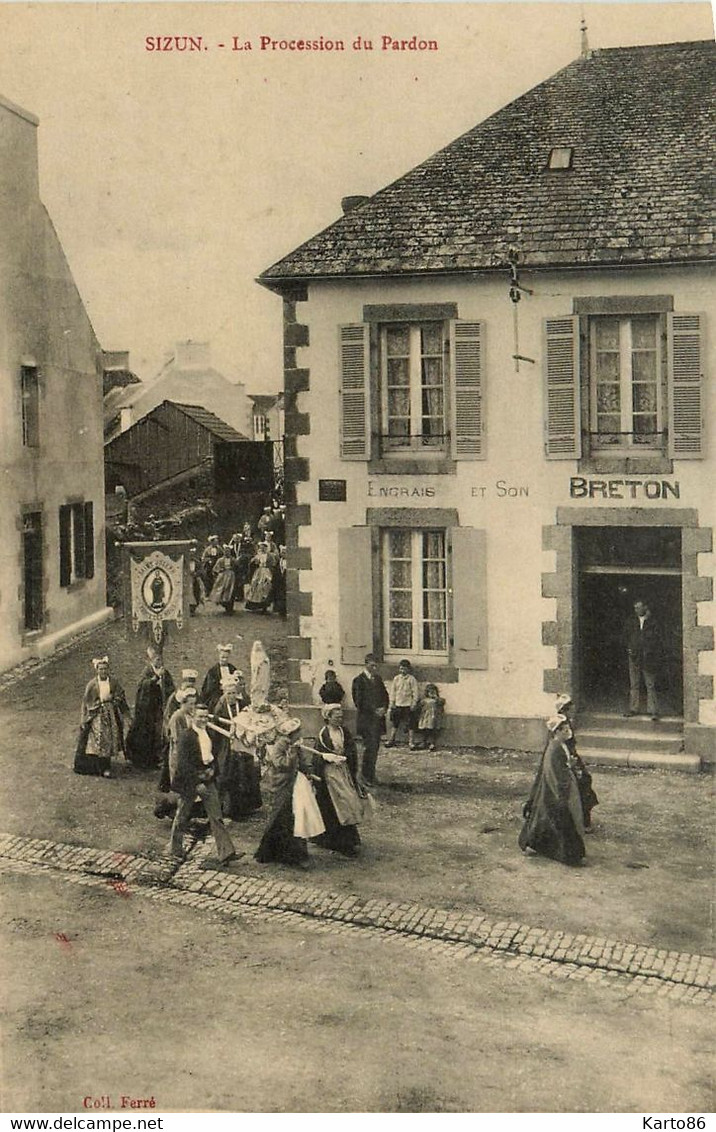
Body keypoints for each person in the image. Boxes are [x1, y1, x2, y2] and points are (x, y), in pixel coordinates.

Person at [169, 704, 244, 868]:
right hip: (190, 781)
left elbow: (212, 755)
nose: (203, 719)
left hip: (207, 776)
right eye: (200, 716)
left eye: (205, 716)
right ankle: (175, 849)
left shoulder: (209, 733)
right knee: (182, 815)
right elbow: (183, 764)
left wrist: (212, 771)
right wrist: (197, 782)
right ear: (193, 717)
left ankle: (226, 853)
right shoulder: (186, 736)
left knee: (216, 816)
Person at [518, 715, 586, 867]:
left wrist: (571, 765)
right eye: (565, 729)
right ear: (557, 731)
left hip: (560, 786)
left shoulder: (561, 745)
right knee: (559, 818)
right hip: (556, 788)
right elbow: (554, 771)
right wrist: (562, 791)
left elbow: (562, 765)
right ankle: (569, 855)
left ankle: (536, 843)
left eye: (568, 728)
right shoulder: (554, 748)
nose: (568, 732)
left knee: (546, 817)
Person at [254, 718, 315, 868]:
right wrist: (293, 752)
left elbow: (302, 762)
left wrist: (308, 772)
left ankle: (297, 854)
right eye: (297, 731)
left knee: (296, 818)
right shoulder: (281, 744)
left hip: (295, 785)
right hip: (282, 786)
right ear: (291, 734)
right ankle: (273, 852)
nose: (300, 733)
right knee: (280, 819)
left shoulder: (295, 745)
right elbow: (281, 764)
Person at [311, 705, 362, 857]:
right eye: (336, 717)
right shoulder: (323, 735)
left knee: (348, 802)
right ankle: (338, 842)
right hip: (330, 774)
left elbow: (351, 749)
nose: (340, 719)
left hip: (343, 771)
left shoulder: (343, 731)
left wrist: (348, 759)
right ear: (328, 717)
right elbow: (318, 756)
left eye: (341, 717)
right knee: (337, 804)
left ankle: (348, 838)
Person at [212, 674, 262, 820]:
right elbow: (216, 728)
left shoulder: (243, 703)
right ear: (224, 693)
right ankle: (226, 807)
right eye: (229, 693)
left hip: (243, 742)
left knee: (245, 773)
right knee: (227, 773)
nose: (232, 696)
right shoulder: (220, 706)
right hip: (226, 744)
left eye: (234, 693)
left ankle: (246, 807)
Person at [74, 656, 132, 778]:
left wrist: (113, 699)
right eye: (101, 669)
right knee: (97, 739)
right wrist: (99, 702)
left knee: (109, 739)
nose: (103, 671)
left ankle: (106, 765)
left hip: (110, 714)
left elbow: (120, 695)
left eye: (105, 669)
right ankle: (96, 766)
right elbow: (87, 702)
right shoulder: (92, 685)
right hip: (96, 715)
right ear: (97, 670)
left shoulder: (113, 682)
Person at [125, 647, 175, 769]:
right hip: (146, 709)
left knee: (158, 732)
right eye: (156, 659)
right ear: (151, 660)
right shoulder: (147, 671)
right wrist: (154, 680)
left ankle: (156, 757)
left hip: (159, 708)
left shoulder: (165, 673)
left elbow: (171, 688)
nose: (159, 661)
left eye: (160, 659)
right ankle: (142, 759)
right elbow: (142, 686)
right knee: (145, 732)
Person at [554, 693, 598, 832]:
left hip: (572, 757)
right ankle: (582, 823)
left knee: (583, 784)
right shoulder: (562, 725)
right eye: (569, 707)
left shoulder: (567, 722)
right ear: (564, 710)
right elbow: (563, 746)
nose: (573, 708)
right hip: (568, 759)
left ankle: (582, 820)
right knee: (581, 785)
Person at [155, 685, 198, 817]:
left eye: (194, 704)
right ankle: (168, 809)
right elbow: (177, 739)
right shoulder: (177, 717)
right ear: (183, 703)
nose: (193, 707)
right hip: (179, 755)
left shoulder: (190, 716)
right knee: (179, 783)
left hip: (189, 755)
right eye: (190, 704)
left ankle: (183, 811)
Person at [351, 653, 389, 787]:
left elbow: (385, 695)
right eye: (372, 665)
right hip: (366, 720)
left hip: (378, 720)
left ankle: (371, 774)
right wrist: (374, 710)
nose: (374, 668)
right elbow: (358, 701)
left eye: (376, 666)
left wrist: (384, 708)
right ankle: (365, 776)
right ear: (366, 664)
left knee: (375, 748)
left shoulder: (378, 679)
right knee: (369, 748)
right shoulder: (358, 681)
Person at [625, 599, 662, 720]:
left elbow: (657, 639)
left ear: (645, 607)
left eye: (638, 608)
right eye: (635, 608)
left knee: (650, 684)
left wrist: (652, 652)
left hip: (648, 658)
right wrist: (629, 648)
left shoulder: (653, 622)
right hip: (634, 656)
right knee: (634, 683)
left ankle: (653, 711)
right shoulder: (631, 621)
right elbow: (626, 636)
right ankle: (633, 708)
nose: (636, 610)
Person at [384, 658, 420, 749]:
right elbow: (393, 691)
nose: (402, 671)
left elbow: (415, 692)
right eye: (401, 669)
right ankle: (391, 739)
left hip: (408, 705)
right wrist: (392, 702)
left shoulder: (411, 679)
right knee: (395, 723)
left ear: (408, 669)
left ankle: (411, 742)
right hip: (398, 704)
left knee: (411, 723)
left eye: (404, 669)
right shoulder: (396, 679)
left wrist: (414, 703)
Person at [201, 645, 237, 714]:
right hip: (217, 695)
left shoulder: (232, 668)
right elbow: (209, 688)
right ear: (219, 657)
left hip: (232, 693)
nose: (224, 660)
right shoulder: (213, 671)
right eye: (222, 657)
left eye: (226, 658)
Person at [244, 541, 276, 612]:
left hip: (267, 571)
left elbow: (273, 564)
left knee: (265, 587)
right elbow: (252, 563)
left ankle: (264, 606)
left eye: (264, 548)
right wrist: (255, 562)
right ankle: (254, 605)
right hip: (259, 572)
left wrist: (269, 568)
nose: (263, 549)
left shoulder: (270, 556)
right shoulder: (258, 555)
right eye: (261, 548)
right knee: (256, 586)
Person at [413, 683, 445, 751]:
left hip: (434, 718)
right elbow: (419, 707)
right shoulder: (424, 700)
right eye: (430, 692)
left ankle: (432, 743)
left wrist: (436, 698)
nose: (432, 694)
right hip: (425, 718)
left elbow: (441, 703)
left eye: (433, 692)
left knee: (433, 731)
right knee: (425, 730)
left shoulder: (438, 700)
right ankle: (423, 742)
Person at [209, 545, 237, 614]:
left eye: (228, 552)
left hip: (231, 576)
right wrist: (220, 570)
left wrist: (233, 570)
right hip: (222, 576)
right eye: (226, 552)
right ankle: (224, 603)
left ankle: (230, 607)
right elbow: (215, 569)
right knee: (222, 590)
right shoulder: (220, 560)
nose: (227, 553)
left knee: (230, 590)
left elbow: (237, 567)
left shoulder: (233, 560)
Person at [250, 639, 271, 706]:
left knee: (263, 686)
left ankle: (263, 699)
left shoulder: (263, 653)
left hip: (264, 673)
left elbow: (267, 661)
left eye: (260, 645)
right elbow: (254, 664)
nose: (259, 646)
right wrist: (260, 663)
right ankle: (256, 701)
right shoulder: (254, 654)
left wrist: (266, 661)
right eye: (257, 645)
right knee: (257, 686)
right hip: (257, 674)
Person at [272, 545, 287, 616]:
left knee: (285, 596)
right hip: (278, 581)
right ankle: (279, 609)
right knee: (279, 595)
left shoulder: (288, 562)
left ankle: (284, 610)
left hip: (285, 581)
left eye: (285, 553)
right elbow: (276, 570)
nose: (283, 554)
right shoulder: (279, 561)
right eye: (282, 553)